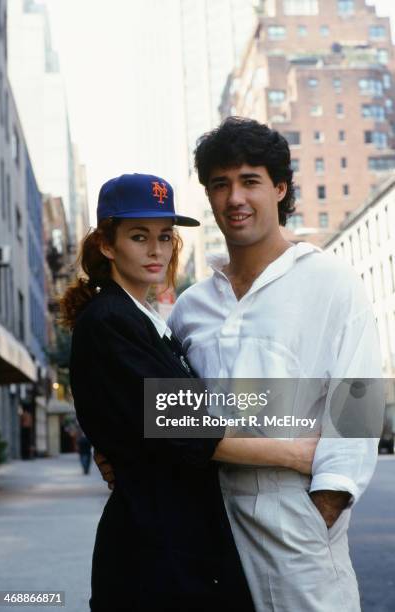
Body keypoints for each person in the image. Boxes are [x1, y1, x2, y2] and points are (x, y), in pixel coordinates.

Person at [96, 118, 383, 611]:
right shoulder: (192, 305)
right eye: (220, 184)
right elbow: (163, 408)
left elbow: (358, 401)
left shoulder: (331, 283)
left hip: (296, 527)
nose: (235, 198)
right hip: (205, 527)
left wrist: (325, 506)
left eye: (250, 181)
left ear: (280, 188)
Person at [61, 172, 317, 612]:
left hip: (181, 542)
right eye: (139, 236)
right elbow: (191, 427)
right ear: (107, 244)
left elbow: (201, 411)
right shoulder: (110, 321)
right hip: (155, 554)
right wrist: (297, 454)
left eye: (164, 236)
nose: (157, 250)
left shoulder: (147, 321)